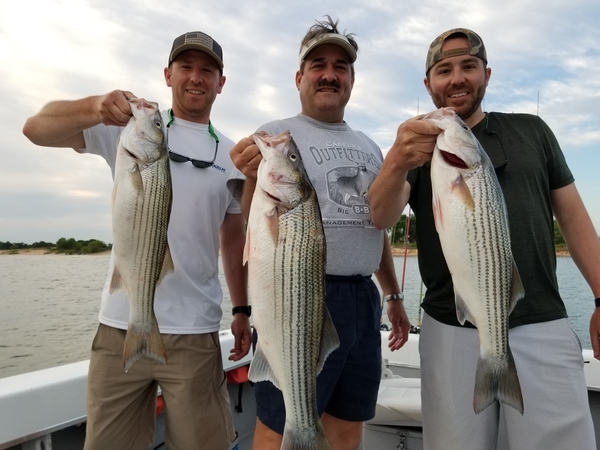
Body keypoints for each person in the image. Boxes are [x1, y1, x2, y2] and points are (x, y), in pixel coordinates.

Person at [369, 27, 600, 449]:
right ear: (428, 84)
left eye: (468, 67)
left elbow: (573, 217)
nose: (456, 79)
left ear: (487, 75)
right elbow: (379, 216)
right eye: (444, 70)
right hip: (448, 324)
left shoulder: (533, 131)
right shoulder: (416, 149)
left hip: (541, 319)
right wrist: (396, 162)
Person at [22, 31, 251, 450]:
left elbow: (233, 236)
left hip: (195, 330)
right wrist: (94, 107)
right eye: (186, 67)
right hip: (119, 325)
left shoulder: (232, 155)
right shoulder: (128, 129)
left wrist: (241, 309)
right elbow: (35, 128)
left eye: (207, 70)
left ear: (221, 82)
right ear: (168, 75)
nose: (195, 77)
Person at [227, 16, 411, 450]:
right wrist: (250, 172)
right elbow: (252, 218)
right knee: (277, 428)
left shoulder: (370, 146)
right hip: (296, 293)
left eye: (340, 67)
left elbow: (375, 226)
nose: (329, 74)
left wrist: (394, 294)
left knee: (348, 427)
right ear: (299, 77)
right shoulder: (272, 135)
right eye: (318, 64)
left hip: (363, 300)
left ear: (351, 80)